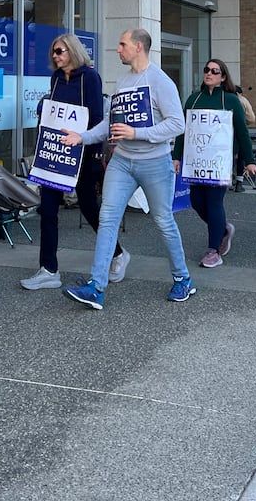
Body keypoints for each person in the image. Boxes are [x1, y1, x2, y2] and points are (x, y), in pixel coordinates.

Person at [61, 28, 192, 309]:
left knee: (163, 221)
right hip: (122, 161)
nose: (117, 50)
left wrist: (137, 133)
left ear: (138, 47)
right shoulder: (122, 82)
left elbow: (177, 124)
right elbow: (110, 124)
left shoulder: (160, 81)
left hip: (155, 162)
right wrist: (81, 138)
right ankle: (96, 286)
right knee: (107, 218)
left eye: (122, 45)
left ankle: (183, 279)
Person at [20, 32, 127, 290]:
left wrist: (80, 137)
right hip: (56, 153)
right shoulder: (57, 78)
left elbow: (96, 117)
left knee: (90, 209)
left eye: (60, 51)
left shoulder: (90, 77)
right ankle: (48, 269)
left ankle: (118, 254)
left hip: (82, 152)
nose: (55, 57)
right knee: (47, 208)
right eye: (54, 52)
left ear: (73, 52)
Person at [172, 58, 256, 268]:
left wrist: (249, 161)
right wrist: (177, 156)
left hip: (219, 163)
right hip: (196, 162)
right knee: (196, 201)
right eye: (207, 70)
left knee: (214, 203)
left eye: (215, 71)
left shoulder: (231, 100)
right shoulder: (193, 100)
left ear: (223, 77)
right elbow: (183, 132)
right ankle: (222, 230)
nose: (209, 73)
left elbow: (242, 132)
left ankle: (213, 250)